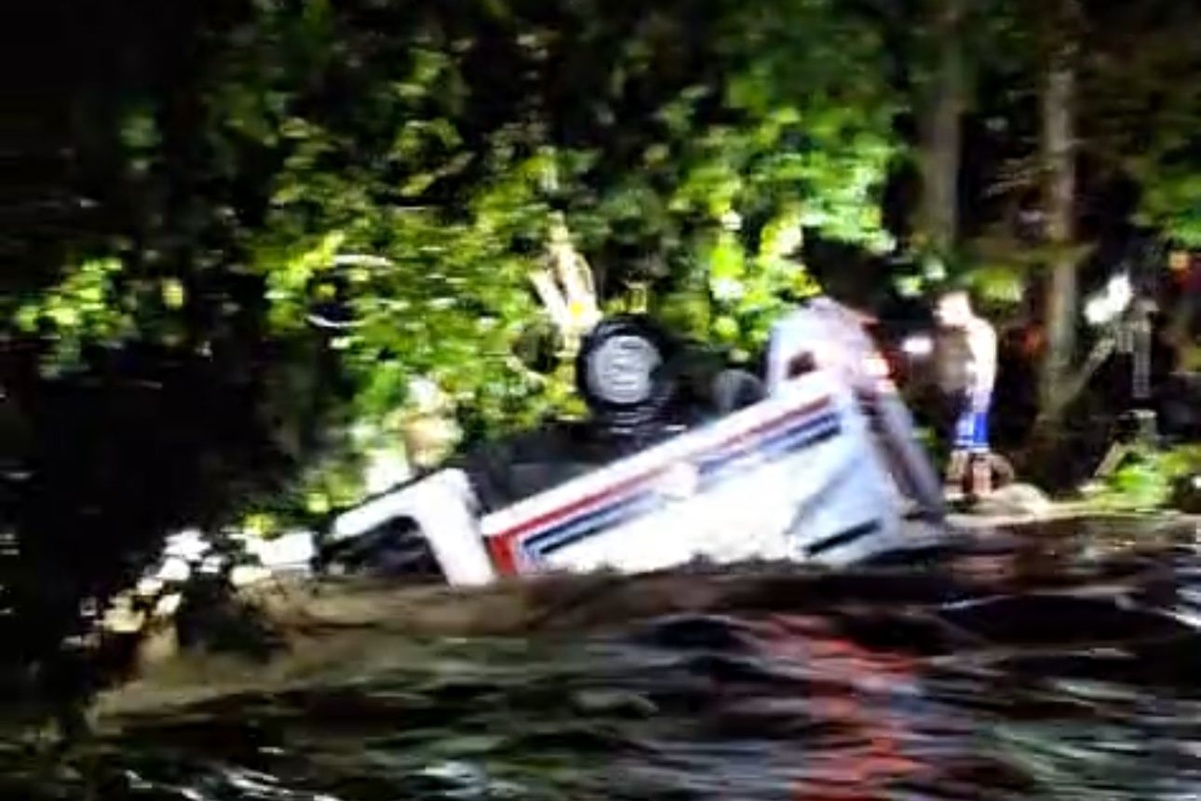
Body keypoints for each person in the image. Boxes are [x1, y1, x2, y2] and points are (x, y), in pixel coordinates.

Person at [935, 288, 998, 498]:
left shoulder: (978, 332)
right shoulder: (963, 333)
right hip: (965, 394)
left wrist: (978, 394)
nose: (940, 314)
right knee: (975, 443)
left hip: (973, 395)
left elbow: (983, 367)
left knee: (965, 443)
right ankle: (979, 488)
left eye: (944, 310)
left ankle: (955, 488)